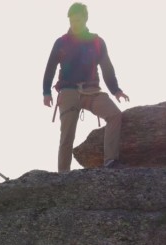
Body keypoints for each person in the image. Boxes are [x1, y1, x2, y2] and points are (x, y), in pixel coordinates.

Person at [43, 2, 129, 172]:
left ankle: (110, 160)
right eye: (71, 21)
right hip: (68, 91)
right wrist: (46, 92)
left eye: (78, 21)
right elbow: (50, 67)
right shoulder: (61, 42)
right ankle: (63, 175)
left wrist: (116, 90)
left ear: (85, 19)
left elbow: (107, 68)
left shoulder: (97, 42)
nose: (74, 24)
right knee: (67, 135)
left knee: (115, 115)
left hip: (92, 91)